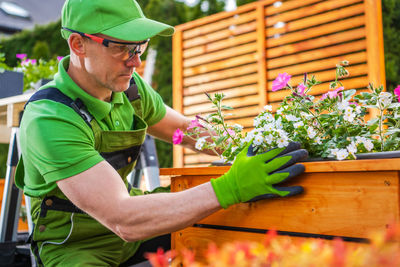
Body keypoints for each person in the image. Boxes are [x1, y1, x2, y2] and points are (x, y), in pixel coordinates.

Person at [15, 0, 308, 266]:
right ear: (78, 44)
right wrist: (231, 187)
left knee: (234, 228)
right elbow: (124, 218)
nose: (135, 61)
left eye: (139, 47)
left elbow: (187, 130)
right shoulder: (49, 118)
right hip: (74, 247)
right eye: (121, 48)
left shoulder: (130, 89)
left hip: (135, 229)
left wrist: (256, 147)